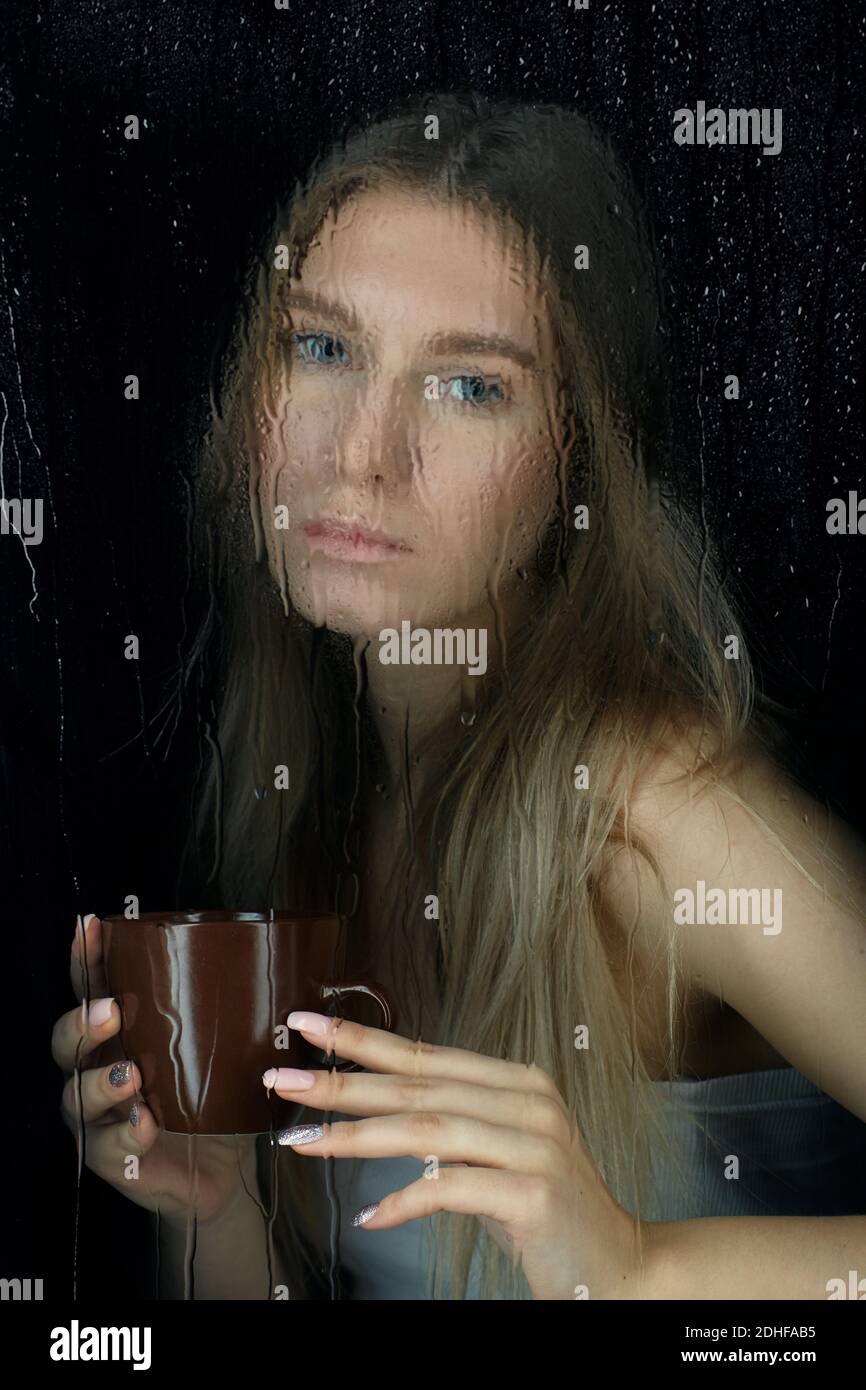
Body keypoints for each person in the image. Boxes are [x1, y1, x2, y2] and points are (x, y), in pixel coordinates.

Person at [53, 91, 866, 1300]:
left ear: (577, 460)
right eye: (322, 348)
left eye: (469, 386)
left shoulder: (662, 819)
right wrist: (211, 1212)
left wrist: (640, 1269)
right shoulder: (308, 794)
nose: (360, 453)